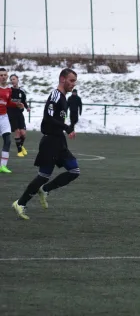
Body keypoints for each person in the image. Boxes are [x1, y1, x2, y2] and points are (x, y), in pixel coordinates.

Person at [12, 68, 79, 220]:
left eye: (75, 81)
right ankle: (20, 203)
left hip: (59, 140)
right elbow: (47, 118)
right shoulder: (55, 95)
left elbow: (57, 120)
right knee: (43, 175)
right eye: (71, 80)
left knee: (74, 171)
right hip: (50, 142)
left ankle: (45, 190)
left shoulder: (63, 98)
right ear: (62, 79)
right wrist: (66, 127)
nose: (73, 84)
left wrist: (65, 129)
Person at [0, 69, 24, 173]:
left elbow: (9, 102)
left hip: (4, 117)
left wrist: (18, 104)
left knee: (8, 140)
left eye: (5, 75)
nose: (3, 77)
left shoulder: (9, 90)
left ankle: (3, 166)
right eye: (1, 75)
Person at [8, 74, 30, 157]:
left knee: (23, 133)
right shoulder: (9, 91)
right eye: (11, 79)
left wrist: (27, 107)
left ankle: (21, 145)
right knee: (17, 132)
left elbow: (24, 101)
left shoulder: (22, 91)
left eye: (14, 79)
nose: (12, 80)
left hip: (20, 114)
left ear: (17, 79)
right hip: (11, 114)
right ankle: (19, 151)